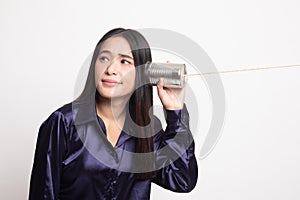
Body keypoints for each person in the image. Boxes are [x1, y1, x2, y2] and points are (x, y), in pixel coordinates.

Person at [29, 28, 198, 200]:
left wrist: (175, 113)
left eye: (124, 61)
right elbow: (43, 193)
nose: (110, 69)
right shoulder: (64, 123)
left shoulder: (147, 129)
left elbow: (182, 179)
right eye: (104, 58)